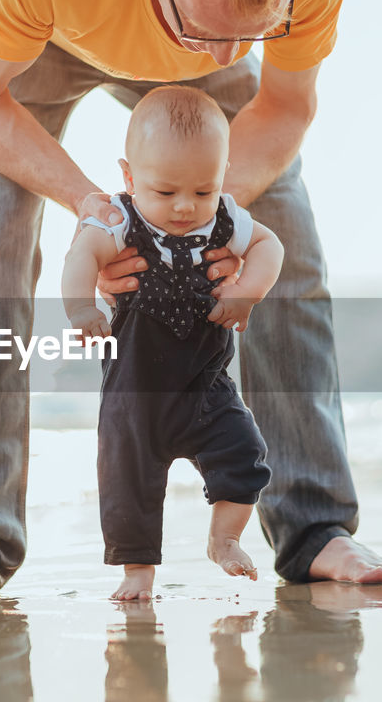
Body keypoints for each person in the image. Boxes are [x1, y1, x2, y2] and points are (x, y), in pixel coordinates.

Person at [0, 0, 382, 606]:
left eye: (254, 32)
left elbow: (285, 103)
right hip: (40, 33)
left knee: (279, 229)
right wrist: (97, 209)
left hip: (196, 7)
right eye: (211, 31)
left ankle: (315, 528)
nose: (231, 52)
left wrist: (209, 214)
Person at [63, 86, 283, 600]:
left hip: (207, 387)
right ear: (130, 177)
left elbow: (270, 245)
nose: (186, 207)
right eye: (165, 193)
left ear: (221, 177)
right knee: (127, 480)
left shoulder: (226, 219)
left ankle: (224, 540)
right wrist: (79, 308)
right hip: (135, 395)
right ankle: (137, 573)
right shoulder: (117, 221)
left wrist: (248, 290)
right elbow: (81, 257)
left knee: (244, 454)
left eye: (202, 191)